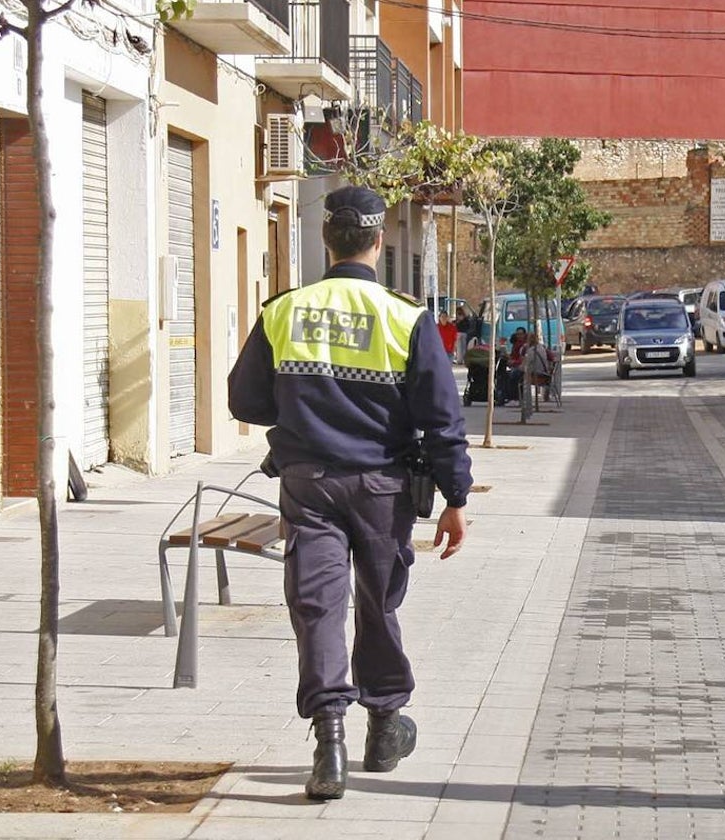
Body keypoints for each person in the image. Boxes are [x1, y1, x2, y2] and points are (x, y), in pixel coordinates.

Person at [227, 186, 473, 801]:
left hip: (308, 485)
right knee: (377, 604)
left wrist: (303, 407)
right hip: (383, 488)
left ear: (325, 238)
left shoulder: (284, 311)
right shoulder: (405, 316)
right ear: (378, 241)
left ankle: (329, 744)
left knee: (317, 608)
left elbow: (244, 399)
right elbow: (442, 419)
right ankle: (385, 726)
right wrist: (455, 497)